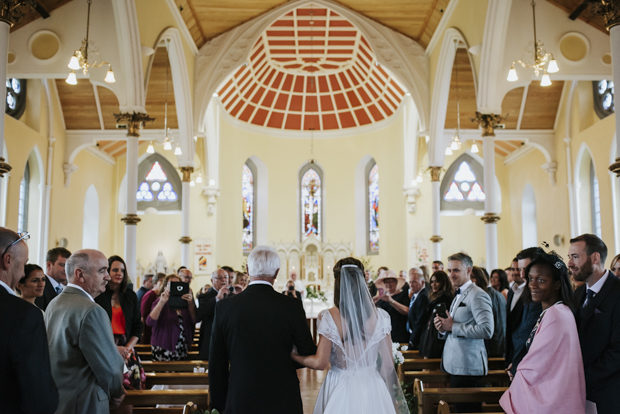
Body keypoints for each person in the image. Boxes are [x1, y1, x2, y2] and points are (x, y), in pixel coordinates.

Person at [291, 258, 410, 414]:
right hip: (372, 385)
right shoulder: (381, 316)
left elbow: (320, 363)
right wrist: (372, 381)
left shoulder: (328, 317)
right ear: (362, 280)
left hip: (339, 385)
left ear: (337, 282)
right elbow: (388, 365)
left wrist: (294, 356)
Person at [209, 246, 316, 414]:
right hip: (283, 395)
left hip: (241, 395)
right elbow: (307, 350)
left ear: (247, 269)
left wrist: (217, 405)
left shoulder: (225, 307)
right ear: (277, 272)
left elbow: (217, 361)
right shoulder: (291, 306)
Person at [500, 252, 585, 413]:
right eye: (531, 278)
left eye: (541, 280)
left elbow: (536, 364)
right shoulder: (557, 311)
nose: (533, 285)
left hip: (553, 398)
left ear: (557, 284)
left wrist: (519, 370)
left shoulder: (556, 314)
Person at [45, 249, 125, 413]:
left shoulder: (54, 303)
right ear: (80, 275)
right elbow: (109, 367)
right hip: (85, 403)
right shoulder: (91, 311)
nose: (108, 277)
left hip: (59, 400)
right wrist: (117, 392)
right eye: (102, 270)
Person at [0, 229, 59, 414]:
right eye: (24, 264)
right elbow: (39, 394)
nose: (22, 271)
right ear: (7, 260)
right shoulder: (23, 314)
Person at [434, 253, 493, 413]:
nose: (451, 275)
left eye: (456, 270)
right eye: (449, 270)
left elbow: (487, 330)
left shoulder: (477, 294)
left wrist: (453, 327)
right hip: (456, 364)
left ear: (468, 270)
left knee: (467, 410)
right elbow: (453, 326)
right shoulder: (459, 294)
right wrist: (442, 328)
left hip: (468, 365)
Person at [569, 234, 620, 413]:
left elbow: (617, 352)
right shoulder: (578, 294)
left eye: (575, 256)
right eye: (569, 257)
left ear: (595, 258)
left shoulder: (617, 292)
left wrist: (581, 378)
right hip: (580, 394)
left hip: (609, 395)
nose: (569, 263)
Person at [95, 255, 145, 391]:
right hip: (104, 347)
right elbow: (95, 328)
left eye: (122, 270)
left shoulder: (130, 295)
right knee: (106, 391)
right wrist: (112, 348)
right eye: (115, 270)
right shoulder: (98, 295)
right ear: (106, 272)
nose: (119, 273)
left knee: (129, 393)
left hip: (127, 349)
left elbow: (137, 326)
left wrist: (127, 348)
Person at [506, 248, 544, 375]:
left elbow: (530, 336)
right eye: (520, 269)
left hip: (535, 368)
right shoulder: (529, 294)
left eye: (525, 269)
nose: (522, 274)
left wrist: (518, 365)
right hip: (522, 362)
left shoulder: (544, 298)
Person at [147, 274, 196, 361]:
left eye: (177, 284)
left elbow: (194, 320)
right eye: (172, 284)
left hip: (181, 347)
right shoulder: (160, 301)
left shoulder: (185, 302)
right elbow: (150, 322)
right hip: (163, 345)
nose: (175, 286)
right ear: (165, 287)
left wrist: (191, 303)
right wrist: (162, 302)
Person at [471, 266, 506, 358]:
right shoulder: (496, 293)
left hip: (491, 346)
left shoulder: (483, 295)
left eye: (473, 277)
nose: (469, 281)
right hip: (500, 344)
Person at [419, 271, 454, 358]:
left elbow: (440, 325)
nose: (433, 284)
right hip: (429, 339)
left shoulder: (445, 300)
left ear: (443, 283)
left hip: (437, 341)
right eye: (432, 282)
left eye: (437, 281)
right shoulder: (433, 300)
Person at [197, 268, 230, 360]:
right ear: (212, 280)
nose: (223, 280)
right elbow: (200, 315)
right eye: (219, 278)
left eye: (225, 277)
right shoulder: (205, 296)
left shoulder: (232, 295)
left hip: (228, 339)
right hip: (210, 339)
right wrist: (217, 298)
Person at [373, 269, 410, 343]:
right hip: (384, 333)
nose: (388, 284)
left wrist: (391, 301)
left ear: (396, 283)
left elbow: (407, 311)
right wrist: (372, 303)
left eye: (391, 282)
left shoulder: (403, 295)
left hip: (399, 332)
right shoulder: (381, 297)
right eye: (386, 282)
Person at [407, 267, 429, 350]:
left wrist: (412, 341)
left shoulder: (423, 296)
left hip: (418, 339)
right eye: (410, 282)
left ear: (422, 282)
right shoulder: (416, 295)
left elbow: (420, 321)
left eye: (414, 282)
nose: (411, 285)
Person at [140, 272, 165, 344]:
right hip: (149, 330)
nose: (163, 283)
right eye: (161, 281)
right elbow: (143, 316)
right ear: (155, 282)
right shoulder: (150, 295)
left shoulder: (161, 295)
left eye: (165, 281)